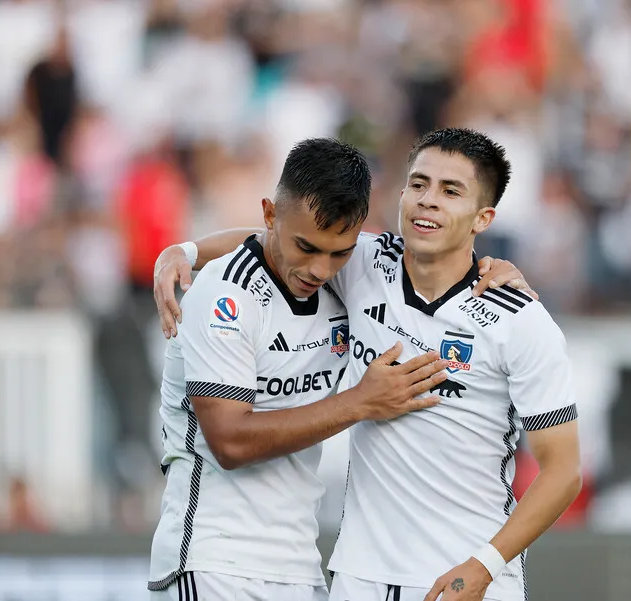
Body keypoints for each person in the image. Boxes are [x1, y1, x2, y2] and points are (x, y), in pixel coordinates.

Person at [154, 129, 578, 601]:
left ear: (483, 217)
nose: (428, 201)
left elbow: (563, 471)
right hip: (359, 579)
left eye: (450, 190)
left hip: (465, 579)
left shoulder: (519, 319)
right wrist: (185, 252)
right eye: (419, 184)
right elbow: (277, 242)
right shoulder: (362, 263)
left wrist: (485, 565)